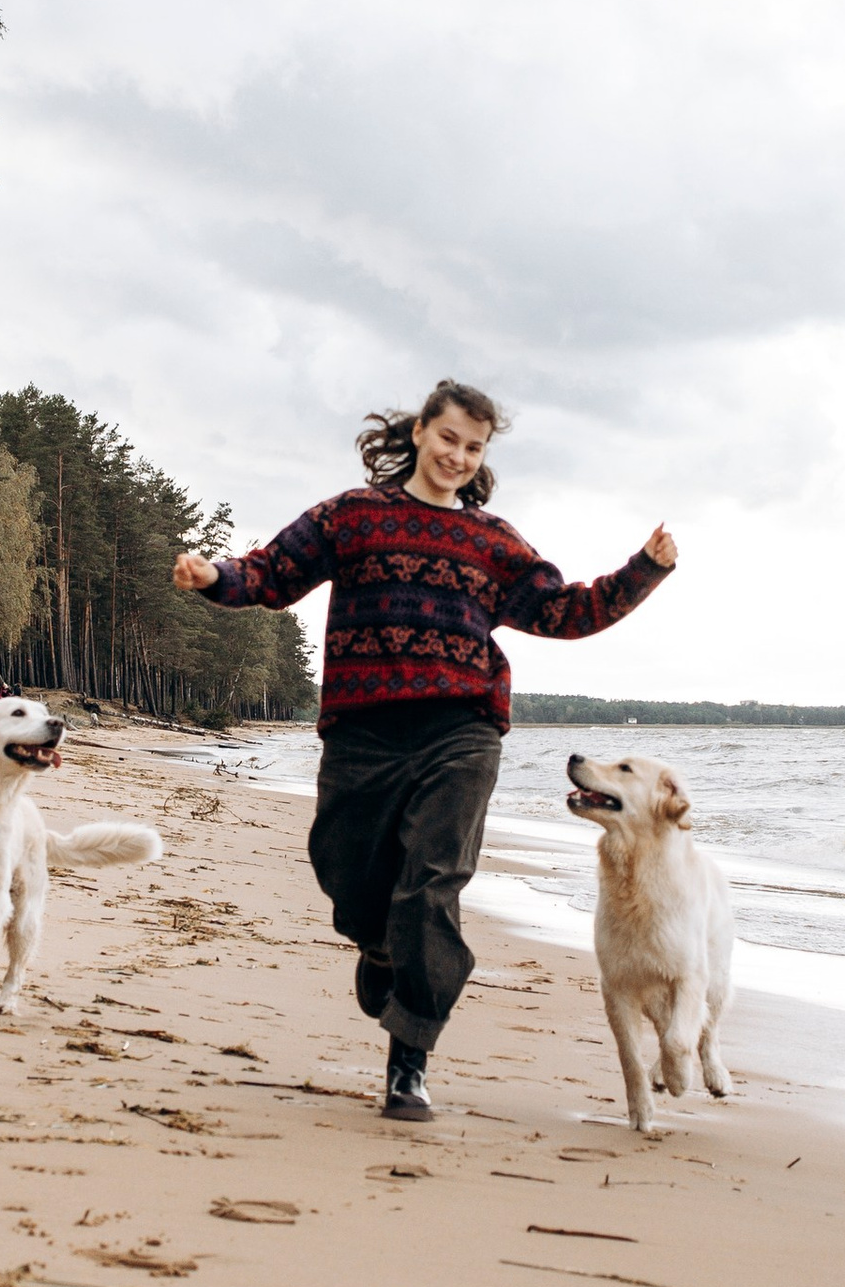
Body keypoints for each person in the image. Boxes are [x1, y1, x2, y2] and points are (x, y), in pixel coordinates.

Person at [172, 381, 675, 1122]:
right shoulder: (352, 515)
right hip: (363, 727)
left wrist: (643, 570)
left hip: (461, 729)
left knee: (432, 884)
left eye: (474, 448)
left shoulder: (493, 541)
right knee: (348, 879)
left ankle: (410, 1059)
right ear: (419, 435)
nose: (459, 457)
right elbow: (274, 572)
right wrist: (216, 577)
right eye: (449, 439)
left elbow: (565, 611)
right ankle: (377, 950)